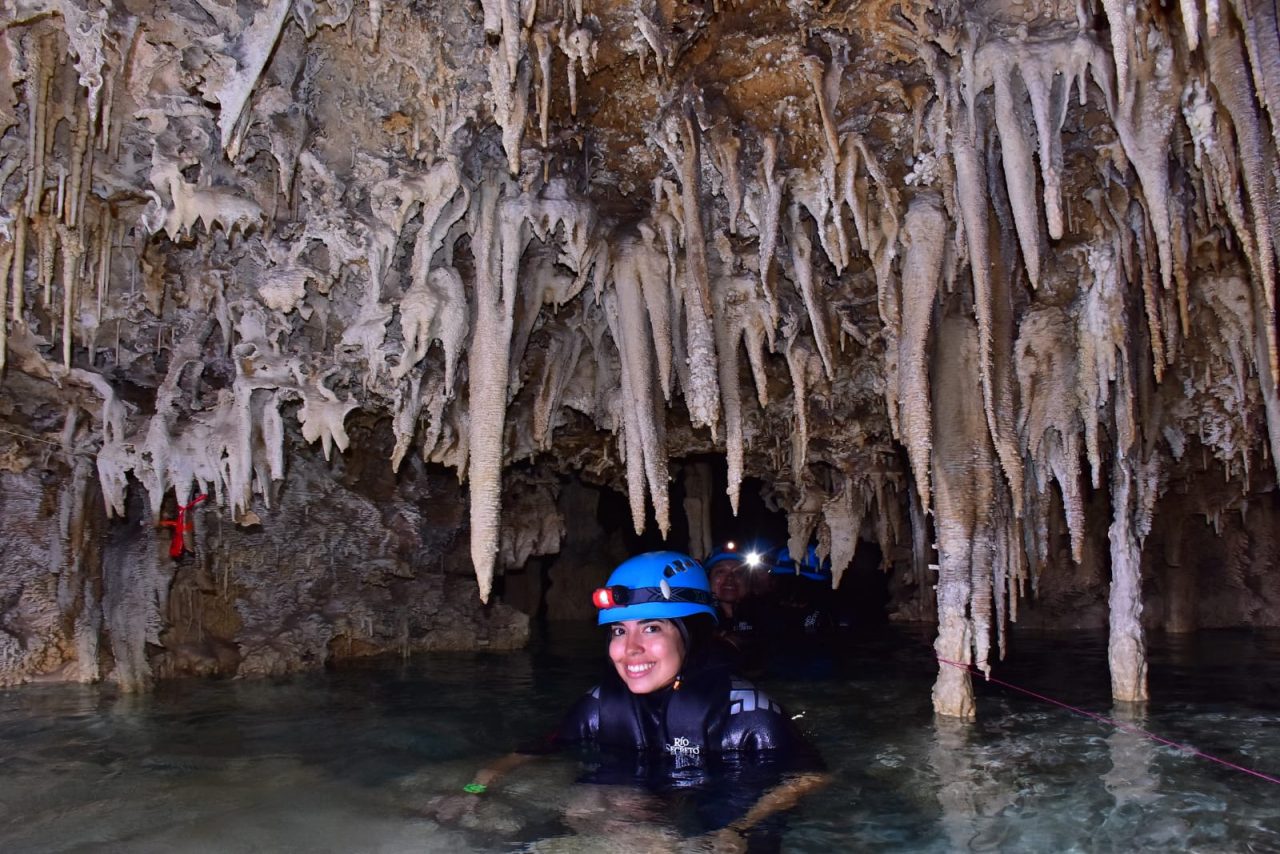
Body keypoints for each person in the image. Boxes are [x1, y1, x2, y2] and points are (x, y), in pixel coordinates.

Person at [454, 551, 827, 847]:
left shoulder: (746, 714)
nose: (630, 648)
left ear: (691, 632)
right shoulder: (600, 705)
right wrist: (473, 790)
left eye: (651, 628)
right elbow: (530, 751)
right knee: (578, 809)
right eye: (619, 630)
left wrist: (741, 828)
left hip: (724, 794)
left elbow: (809, 776)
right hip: (644, 795)